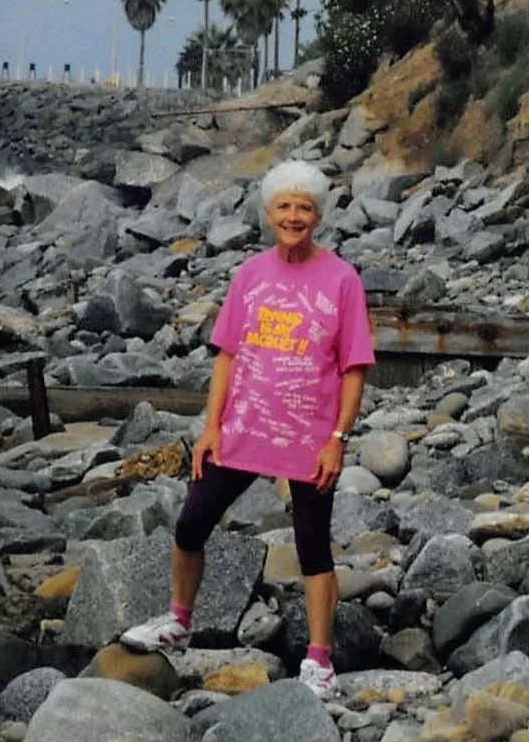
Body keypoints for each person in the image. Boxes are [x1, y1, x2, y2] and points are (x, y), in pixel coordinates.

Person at [121, 160, 376, 697]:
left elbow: (354, 367)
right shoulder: (251, 275)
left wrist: (338, 440)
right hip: (242, 430)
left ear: (318, 216)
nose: (293, 216)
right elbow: (227, 356)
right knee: (191, 524)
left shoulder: (342, 280)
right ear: (268, 212)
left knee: (313, 548)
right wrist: (210, 427)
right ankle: (178, 622)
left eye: (304, 207)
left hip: (309, 440)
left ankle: (319, 661)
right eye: (284, 206)